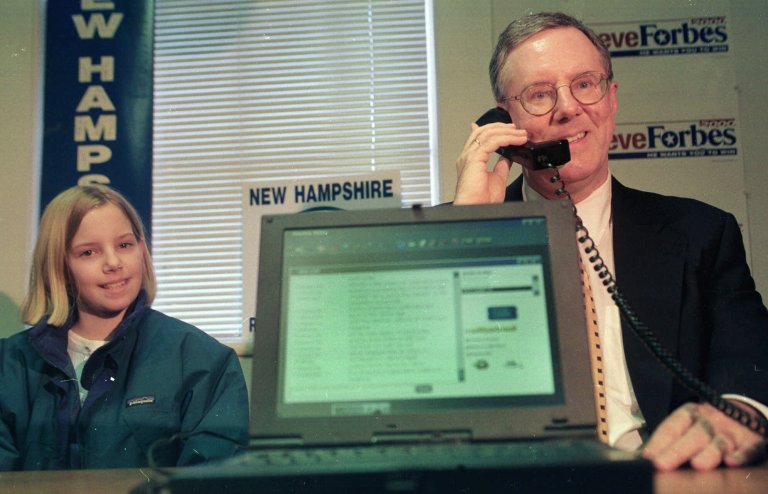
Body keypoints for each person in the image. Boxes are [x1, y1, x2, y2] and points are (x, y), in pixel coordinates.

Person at [453, 12, 768, 471]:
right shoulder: (449, 234)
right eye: (540, 94)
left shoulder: (700, 231)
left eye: (585, 84)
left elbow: (751, 357)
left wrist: (738, 412)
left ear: (611, 99)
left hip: (657, 475)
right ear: (504, 121)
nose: (568, 108)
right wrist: (471, 231)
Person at [0, 184, 249, 470]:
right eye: (89, 252)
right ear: (58, 265)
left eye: (124, 245)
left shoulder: (203, 359)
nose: (113, 263)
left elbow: (212, 480)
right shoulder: (9, 367)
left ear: (142, 250)